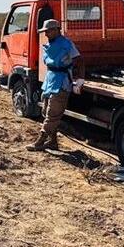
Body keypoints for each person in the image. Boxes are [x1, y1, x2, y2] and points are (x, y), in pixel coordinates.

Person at [27, 19, 81, 151]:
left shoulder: (66, 44)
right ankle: (52, 142)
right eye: (45, 31)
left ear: (57, 30)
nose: (46, 34)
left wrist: (79, 79)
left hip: (62, 82)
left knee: (52, 114)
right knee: (46, 112)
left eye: (48, 31)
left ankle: (40, 141)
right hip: (50, 81)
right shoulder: (49, 45)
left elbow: (78, 60)